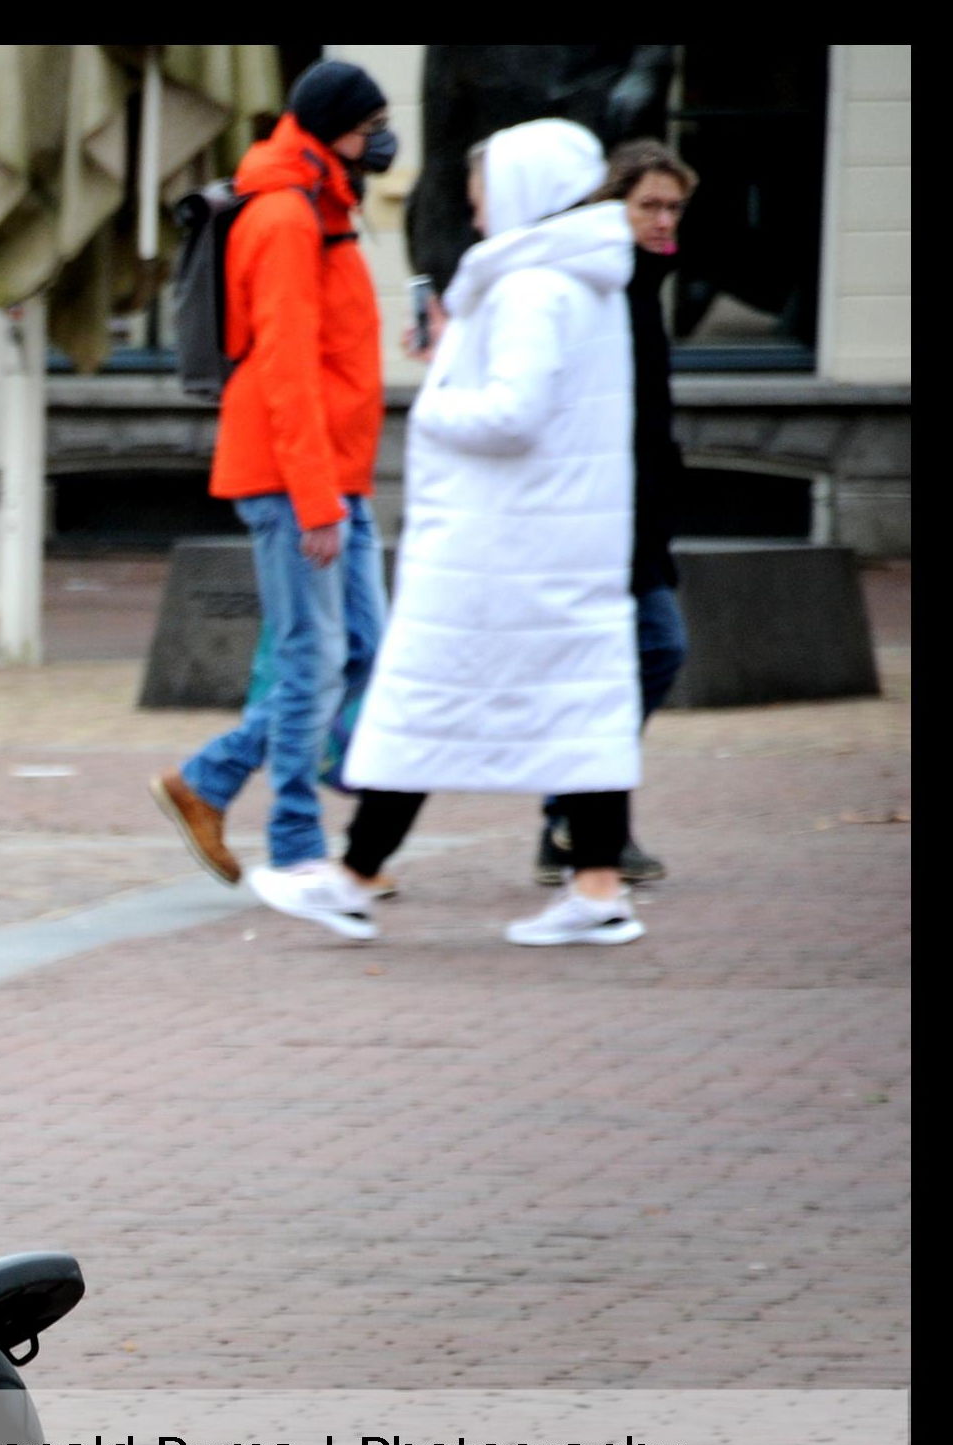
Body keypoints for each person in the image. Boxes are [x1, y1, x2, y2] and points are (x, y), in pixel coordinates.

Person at [266, 119, 645, 948]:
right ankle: (596, 887)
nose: (477, 215)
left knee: (423, 702)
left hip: (500, 545)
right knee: (577, 713)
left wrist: (435, 400)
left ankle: (354, 876)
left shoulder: (530, 288)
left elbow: (513, 413)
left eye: (483, 197)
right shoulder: (583, 280)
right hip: (557, 538)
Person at [150, 60, 397, 896]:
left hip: (331, 475)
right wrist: (318, 498)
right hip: (298, 479)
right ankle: (296, 843)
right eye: (369, 128)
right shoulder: (288, 215)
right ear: (333, 130)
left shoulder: (321, 203)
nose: (381, 142)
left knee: (359, 650)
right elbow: (286, 368)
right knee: (313, 658)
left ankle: (209, 779)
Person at [536, 138, 695, 887]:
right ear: (612, 207)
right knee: (651, 651)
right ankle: (578, 823)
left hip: (638, 520)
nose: (665, 221)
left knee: (638, 660)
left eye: (674, 208)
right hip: (600, 520)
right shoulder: (600, 292)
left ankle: (572, 824)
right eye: (649, 206)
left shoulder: (642, 287)